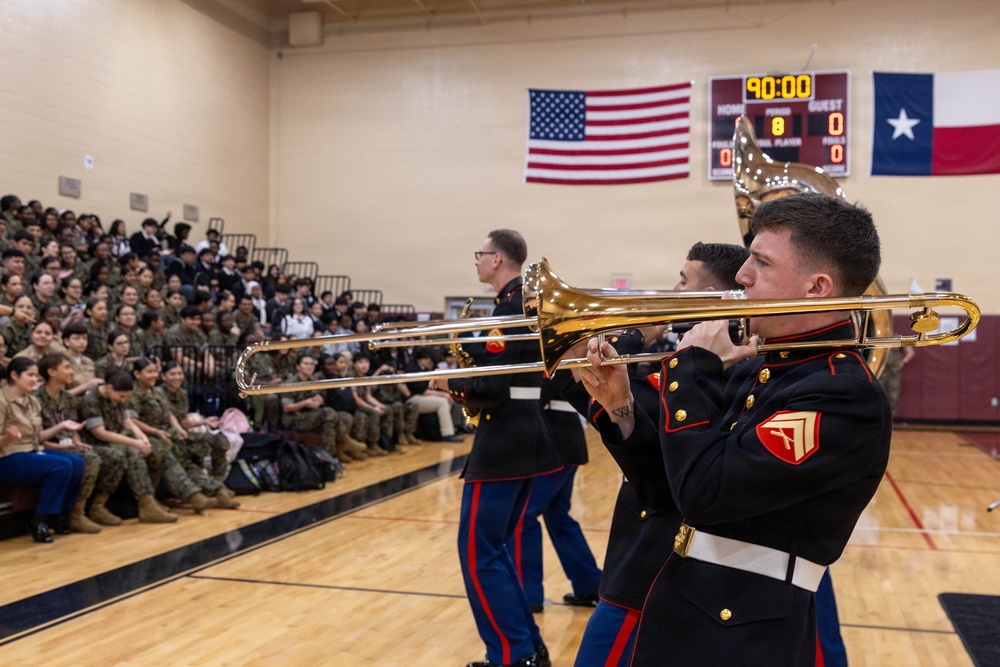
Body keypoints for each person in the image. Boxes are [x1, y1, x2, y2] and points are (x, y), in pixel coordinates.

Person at [578, 193, 892, 665]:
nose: (742, 275)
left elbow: (706, 495)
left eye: (761, 262)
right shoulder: (760, 369)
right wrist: (620, 406)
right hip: (684, 609)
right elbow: (669, 491)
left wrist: (691, 367)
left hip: (742, 634)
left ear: (817, 287)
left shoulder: (843, 394)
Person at [570, 241, 749, 667]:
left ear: (710, 297)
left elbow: (653, 412)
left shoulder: (730, 368)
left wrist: (632, 335)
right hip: (646, 556)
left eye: (683, 282)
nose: (673, 291)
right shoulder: (691, 362)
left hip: (657, 565)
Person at [443, 229, 561, 667]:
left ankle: (512, 654)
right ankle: (526, 647)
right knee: (495, 550)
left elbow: (492, 386)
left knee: (479, 555)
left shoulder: (510, 310)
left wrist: (450, 383)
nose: (477, 260)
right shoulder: (519, 305)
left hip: (504, 441)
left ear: (496, 259)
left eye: (481, 253)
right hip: (523, 437)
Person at [519, 369, 602, 614]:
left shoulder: (551, 359)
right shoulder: (560, 358)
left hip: (554, 445)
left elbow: (536, 395)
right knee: (558, 517)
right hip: (566, 443)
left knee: (525, 514)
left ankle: (528, 595)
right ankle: (590, 585)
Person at [129, 359, 238, 509]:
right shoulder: (133, 393)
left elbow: (170, 414)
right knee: (180, 459)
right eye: (149, 372)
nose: (153, 375)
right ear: (137, 374)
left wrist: (180, 429)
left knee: (217, 439)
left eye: (154, 371)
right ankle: (200, 494)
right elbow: (132, 420)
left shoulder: (158, 392)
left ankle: (218, 487)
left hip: (170, 432)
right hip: (151, 435)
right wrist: (157, 431)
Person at [0, 357, 87, 542]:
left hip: (31, 450)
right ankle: (40, 519)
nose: (35, 380)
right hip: (7, 456)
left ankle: (61, 514)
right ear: (14, 375)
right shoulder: (2, 400)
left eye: (36, 376)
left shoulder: (32, 401)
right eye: (30, 375)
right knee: (61, 466)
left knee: (78, 463)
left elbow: (38, 436)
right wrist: (8, 438)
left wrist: (62, 425)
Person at [36, 353, 120, 531]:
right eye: (66, 367)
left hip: (68, 444)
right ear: (51, 372)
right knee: (91, 459)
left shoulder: (68, 397)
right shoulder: (37, 399)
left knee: (114, 456)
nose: (71, 372)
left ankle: (97, 507)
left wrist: (77, 442)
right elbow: (37, 438)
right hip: (48, 447)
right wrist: (66, 447)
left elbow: (74, 427)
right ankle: (75, 513)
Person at [281, 353, 368, 463]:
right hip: (294, 418)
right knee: (328, 413)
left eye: (311, 364)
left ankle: (337, 449)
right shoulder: (291, 383)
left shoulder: (312, 380)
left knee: (339, 416)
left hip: (310, 414)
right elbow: (286, 408)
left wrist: (318, 400)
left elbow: (318, 397)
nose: (309, 367)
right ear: (298, 367)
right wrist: (305, 403)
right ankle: (334, 450)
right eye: (306, 364)